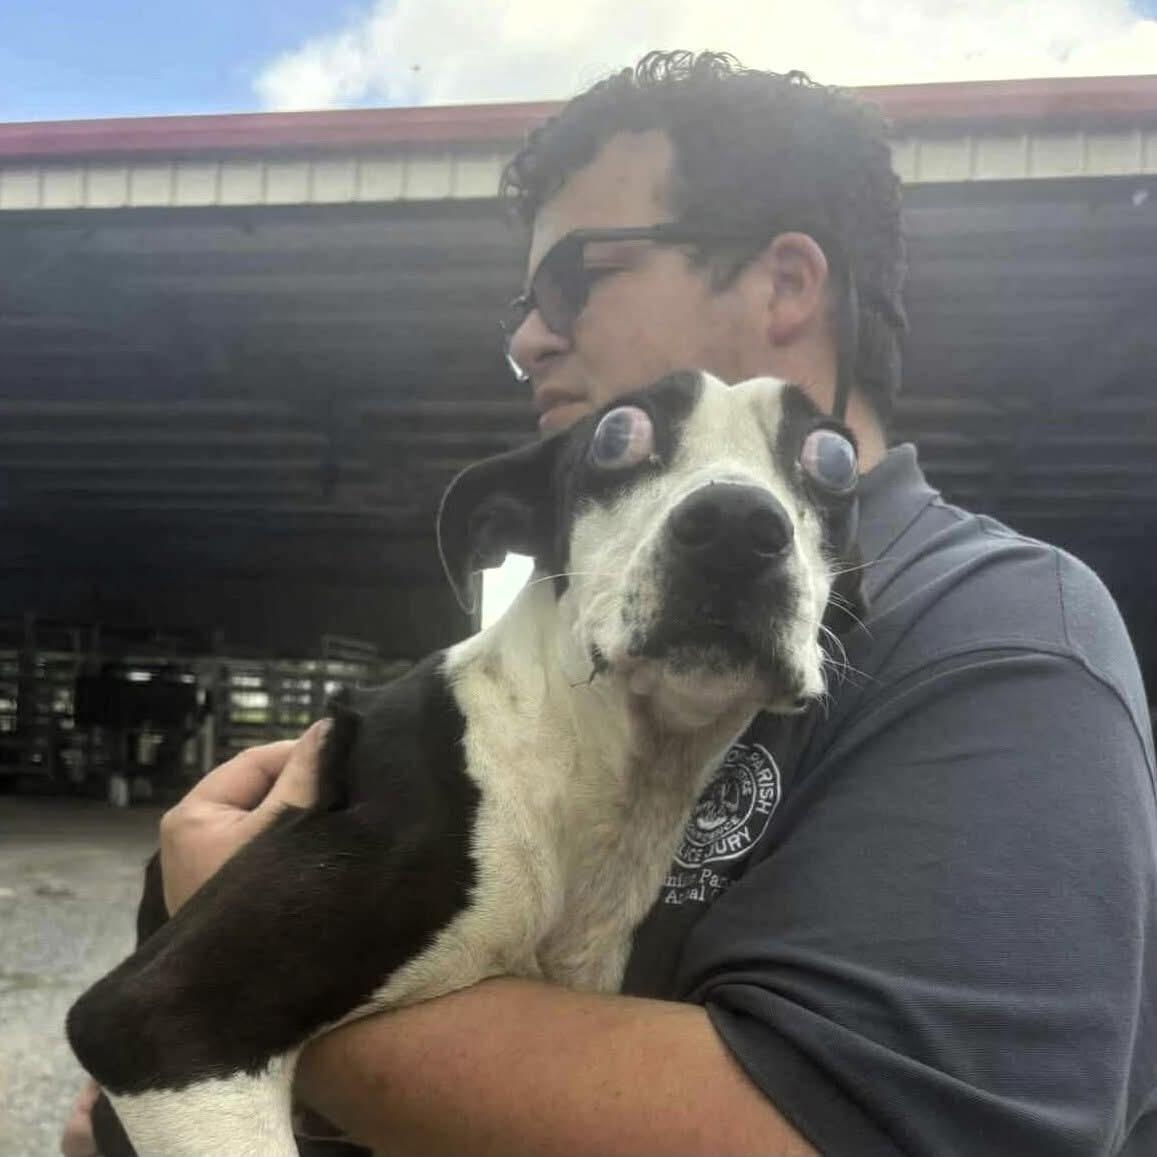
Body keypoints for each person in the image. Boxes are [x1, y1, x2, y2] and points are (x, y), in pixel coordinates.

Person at [64, 51, 1156, 1156]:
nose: (532, 338)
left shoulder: (1002, 641)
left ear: (785, 283)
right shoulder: (550, 649)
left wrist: (237, 968)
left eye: (572, 281)